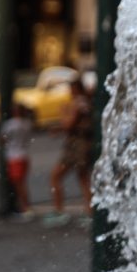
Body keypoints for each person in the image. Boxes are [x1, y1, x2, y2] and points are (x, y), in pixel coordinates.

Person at [43, 77, 93, 227]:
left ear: (75, 89)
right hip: (85, 145)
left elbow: (69, 125)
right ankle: (90, 212)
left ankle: (59, 211)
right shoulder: (86, 103)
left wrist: (63, 112)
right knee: (84, 179)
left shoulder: (78, 104)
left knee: (55, 176)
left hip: (76, 148)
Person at [0, 102, 34, 220]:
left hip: (14, 156)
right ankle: (24, 206)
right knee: (22, 183)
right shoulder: (27, 123)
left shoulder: (10, 124)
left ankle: (25, 208)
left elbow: (3, 139)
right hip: (24, 155)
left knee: (18, 184)